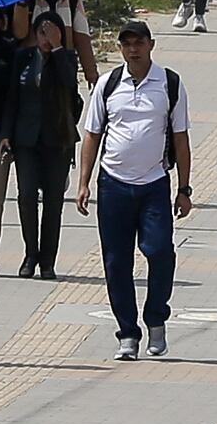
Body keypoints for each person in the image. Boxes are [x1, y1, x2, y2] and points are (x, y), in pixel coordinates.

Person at [77, 18, 193, 358]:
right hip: (113, 185)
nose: (133, 49)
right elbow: (92, 135)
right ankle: (127, 333)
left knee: (159, 251)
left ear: (151, 45)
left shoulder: (169, 83)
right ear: (120, 48)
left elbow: (181, 139)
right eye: (127, 44)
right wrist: (83, 182)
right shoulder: (108, 84)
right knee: (116, 262)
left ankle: (156, 319)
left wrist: (184, 189)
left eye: (139, 42)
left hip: (154, 184)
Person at [0, 10, 86, 279]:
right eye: (42, 33)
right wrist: (6, 134)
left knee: (53, 200)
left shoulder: (66, 58)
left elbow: (69, 82)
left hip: (57, 140)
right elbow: (11, 97)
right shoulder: (23, 58)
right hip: (26, 139)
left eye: (51, 33)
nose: (46, 39)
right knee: (26, 196)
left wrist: (58, 48)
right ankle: (30, 254)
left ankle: (47, 261)